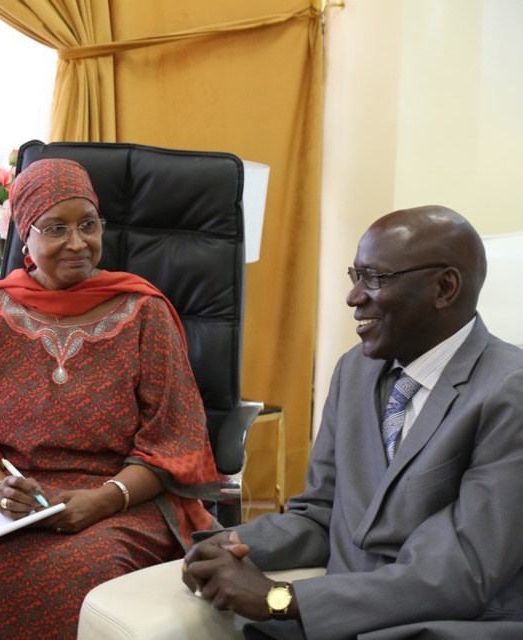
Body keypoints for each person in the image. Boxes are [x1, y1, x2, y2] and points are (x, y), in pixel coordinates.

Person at [183, 205, 523, 639]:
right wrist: (227, 545)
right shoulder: (354, 371)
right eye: (355, 275)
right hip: (343, 622)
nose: (354, 296)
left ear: (444, 287)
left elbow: (463, 574)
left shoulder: (509, 390)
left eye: (375, 278)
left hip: (447, 627)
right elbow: (321, 513)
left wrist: (280, 599)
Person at [0, 157, 220, 639]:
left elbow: (174, 441)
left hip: (121, 498)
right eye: (56, 228)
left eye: (89, 224)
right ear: (26, 234)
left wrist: (103, 500)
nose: (78, 243)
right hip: (11, 500)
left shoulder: (145, 312)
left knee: (82, 573)